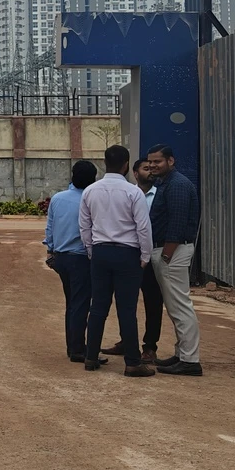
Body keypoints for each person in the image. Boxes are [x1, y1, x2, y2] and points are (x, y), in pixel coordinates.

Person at [79, 145, 155, 377]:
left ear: (104, 163)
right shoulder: (134, 193)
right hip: (127, 255)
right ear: (126, 165)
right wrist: (145, 256)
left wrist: (92, 251)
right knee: (127, 309)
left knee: (98, 307)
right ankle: (132, 362)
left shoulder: (90, 191)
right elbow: (143, 228)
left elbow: (85, 226)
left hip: (101, 253)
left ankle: (90, 357)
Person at [146, 144, 202, 376]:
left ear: (171, 161)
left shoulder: (177, 185)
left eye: (157, 161)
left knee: (180, 307)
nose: (152, 166)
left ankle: (190, 361)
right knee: (175, 306)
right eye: (150, 162)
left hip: (172, 252)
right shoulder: (166, 184)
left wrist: (166, 256)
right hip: (169, 252)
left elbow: (177, 225)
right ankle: (182, 354)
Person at [101, 158, 163, 363]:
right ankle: (127, 342)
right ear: (134, 172)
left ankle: (149, 347)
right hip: (128, 257)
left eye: (152, 167)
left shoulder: (161, 195)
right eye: (146, 168)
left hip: (151, 258)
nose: (151, 171)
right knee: (125, 302)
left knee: (153, 302)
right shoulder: (127, 192)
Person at [43, 160, 102, 363]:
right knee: (80, 304)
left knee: (72, 303)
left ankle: (73, 346)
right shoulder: (92, 199)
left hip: (61, 258)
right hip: (81, 259)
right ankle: (78, 349)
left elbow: (49, 228)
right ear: (94, 178)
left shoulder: (58, 198)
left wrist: (50, 250)